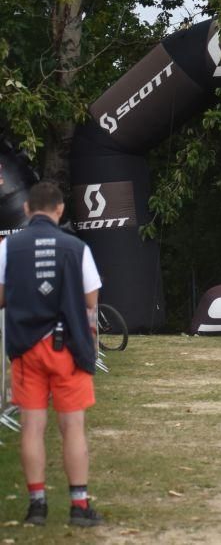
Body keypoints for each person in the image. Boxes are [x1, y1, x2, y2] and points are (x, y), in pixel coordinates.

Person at [0, 181, 103, 527]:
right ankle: (79, 506)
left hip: (26, 349)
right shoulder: (76, 247)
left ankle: (37, 506)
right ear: (60, 210)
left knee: (32, 427)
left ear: (27, 209)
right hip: (68, 349)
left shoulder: (8, 247)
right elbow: (91, 300)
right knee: (72, 426)